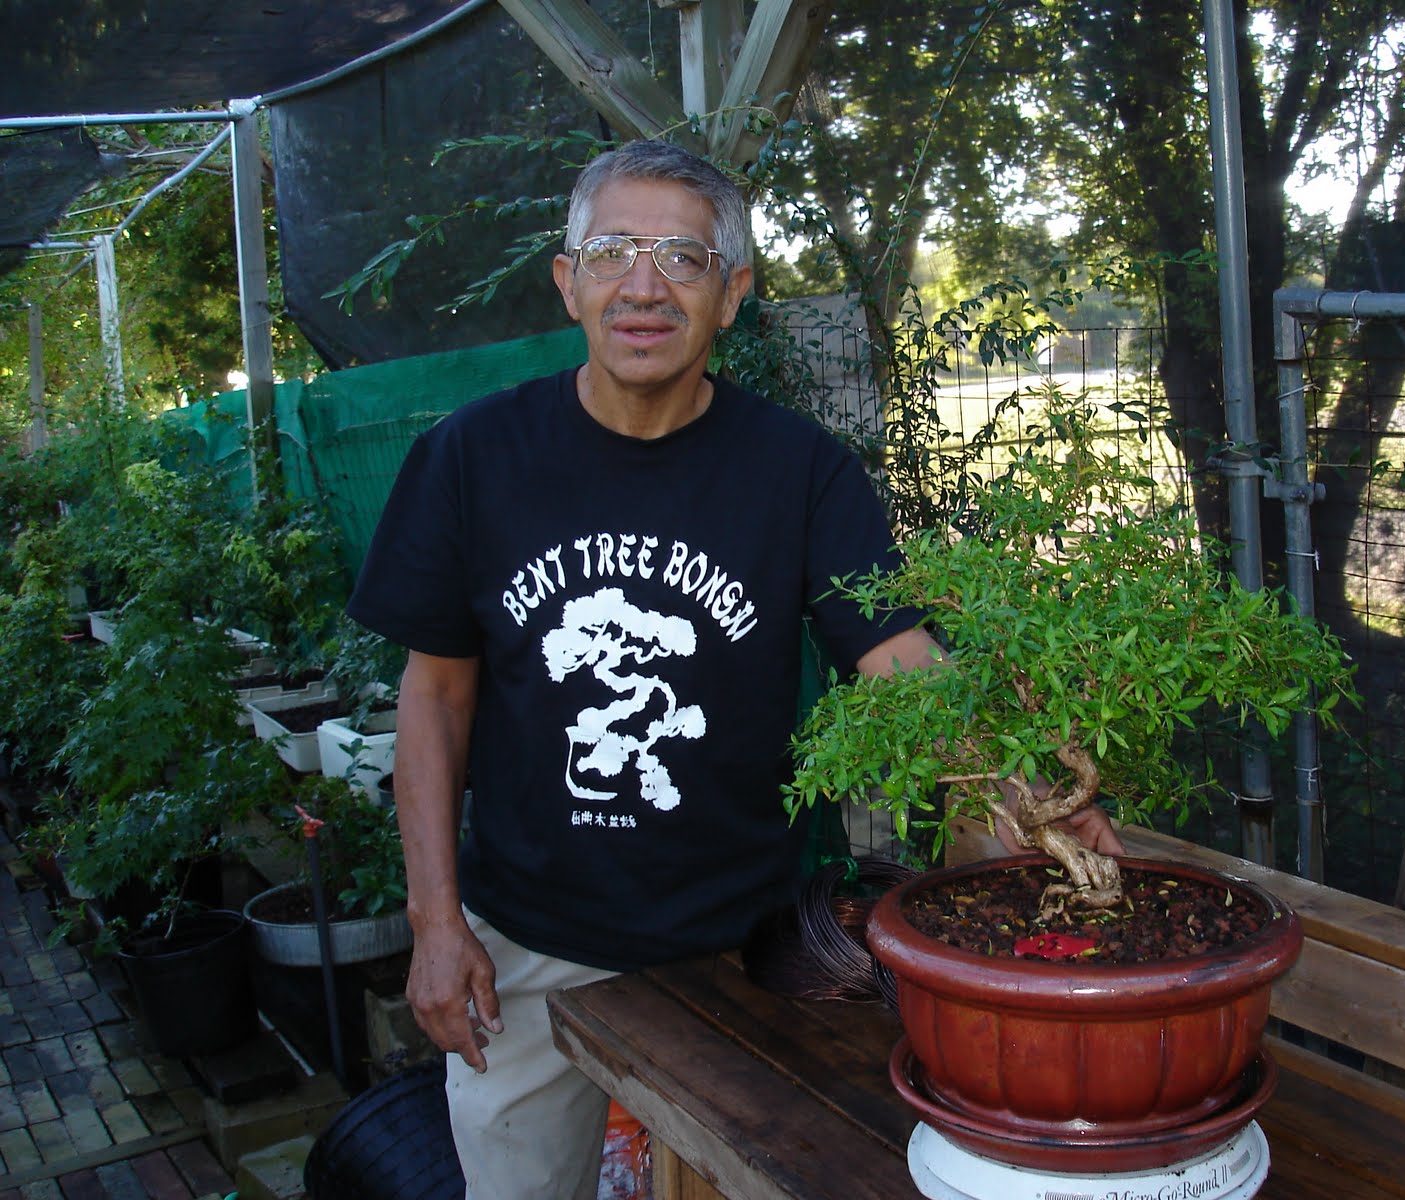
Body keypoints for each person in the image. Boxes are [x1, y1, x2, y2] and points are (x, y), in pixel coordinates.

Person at [346, 139, 1123, 1199]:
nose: (644, 284)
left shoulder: (799, 470)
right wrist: (436, 926)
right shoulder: (473, 458)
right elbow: (434, 697)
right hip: (525, 940)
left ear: (733, 293)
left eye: (683, 257)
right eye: (612, 250)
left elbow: (896, 659)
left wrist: (1021, 790)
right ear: (567, 278)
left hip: (744, 937)